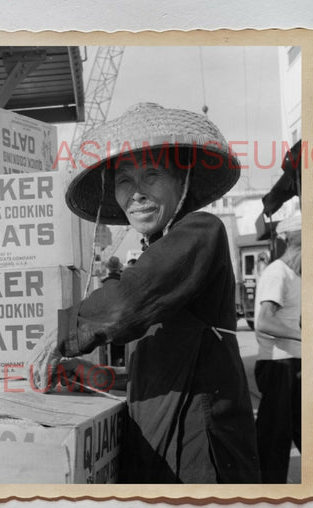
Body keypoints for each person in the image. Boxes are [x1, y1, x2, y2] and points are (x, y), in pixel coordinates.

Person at [29, 102, 260, 484]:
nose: (136, 194)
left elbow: (125, 301)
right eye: (124, 181)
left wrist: (63, 333)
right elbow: (153, 370)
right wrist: (91, 374)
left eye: (151, 176)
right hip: (156, 452)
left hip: (202, 453)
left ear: (180, 181)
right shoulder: (153, 256)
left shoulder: (202, 232)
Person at [254, 213, 302, 483]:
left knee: (304, 433)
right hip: (278, 365)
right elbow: (264, 321)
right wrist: (304, 336)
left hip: (293, 363)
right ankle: (267, 503)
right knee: (274, 441)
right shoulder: (277, 273)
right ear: (298, 243)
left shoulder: (296, 276)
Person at [101, 256, 125, 366]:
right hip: (123, 317)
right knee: (124, 344)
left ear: (108, 269)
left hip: (109, 319)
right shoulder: (123, 281)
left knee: (112, 345)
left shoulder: (104, 283)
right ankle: (124, 363)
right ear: (118, 268)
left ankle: (114, 364)